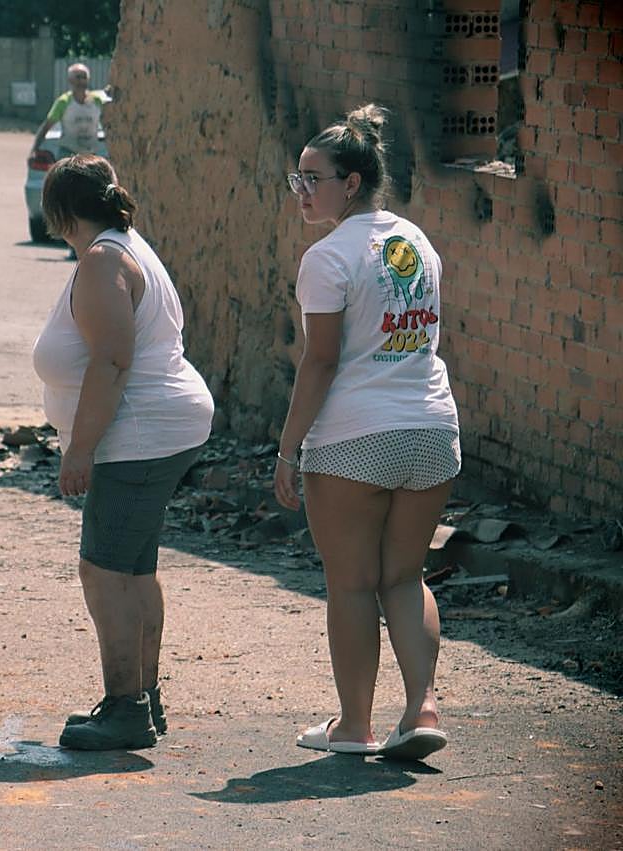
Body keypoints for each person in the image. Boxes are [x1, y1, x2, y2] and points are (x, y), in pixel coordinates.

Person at [273, 104, 460, 761]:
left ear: (351, 182)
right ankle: (423, 706)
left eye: (311, 178)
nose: (301, 191)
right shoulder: (416, 241)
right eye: (296, 179)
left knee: (352, 583)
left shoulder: (327, 257)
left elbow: (321, 361)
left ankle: (355, 725)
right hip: (432, 430)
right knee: (404, 577)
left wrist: (288, 446)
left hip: (356, 436)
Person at [32, 154, 215, 750]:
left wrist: (79, 450)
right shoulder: (123, 244)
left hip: (137, 435)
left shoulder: (104, 259)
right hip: (155, 429)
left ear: (59, 212)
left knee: (103, 570)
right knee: (133, 567)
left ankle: (125, 708)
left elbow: (112, 360)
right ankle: (143, 697)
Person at [31, 63, 109, 159]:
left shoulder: (97, 101)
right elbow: (46, 127)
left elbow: (108, 125)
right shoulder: (64, 102)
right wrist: (34, 150)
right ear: (70, 80)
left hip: (90, 155)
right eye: (78, 77)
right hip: (68, 154)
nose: (81, 80)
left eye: (84, 77)